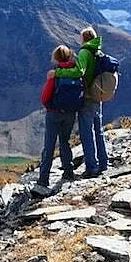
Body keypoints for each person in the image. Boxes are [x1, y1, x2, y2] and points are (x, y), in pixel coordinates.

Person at [56, 27, 110, 178]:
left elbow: (79, 72)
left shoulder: (85, 52)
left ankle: (91, 167)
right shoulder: (98, 51)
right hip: (98, 95)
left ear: (84, 38)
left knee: (86, 133)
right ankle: (103, 163)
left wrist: (58, 72)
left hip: (88, 96)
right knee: (98, 131)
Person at [37, 45, 80, 187]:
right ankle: (68, 172)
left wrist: (50, 106)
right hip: (70, 113)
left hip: (54, 113)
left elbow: (45, 98)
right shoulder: (76, 72)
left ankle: (43, 179)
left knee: (49, 146)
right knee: (64, 142)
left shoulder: (55, 74)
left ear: (56, 58)